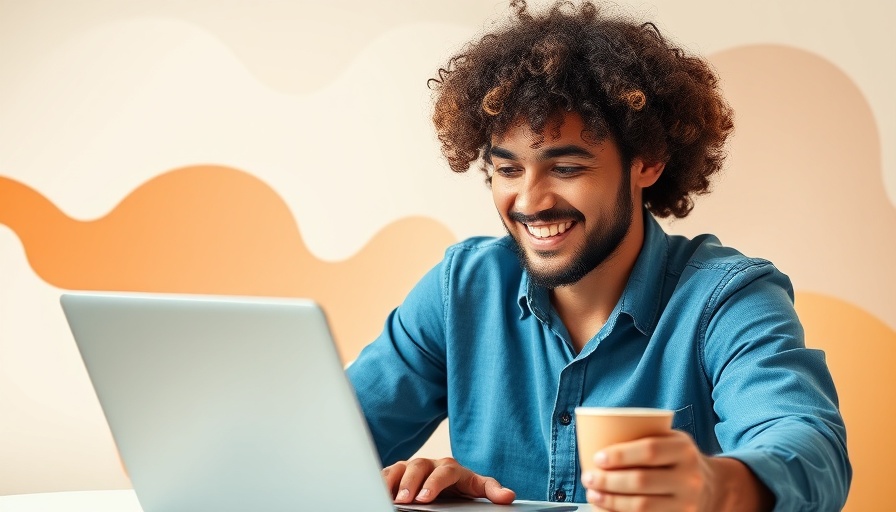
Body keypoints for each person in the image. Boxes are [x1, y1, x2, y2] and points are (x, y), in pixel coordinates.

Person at [346, 1, 851, 510]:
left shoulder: (726, 299)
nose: (530, 203)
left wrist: (715, 484)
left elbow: (809, 447)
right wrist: (416, 487)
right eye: (508, 170)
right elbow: (318, 445)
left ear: (647, 162)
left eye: (565, 167)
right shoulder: (461, 290)